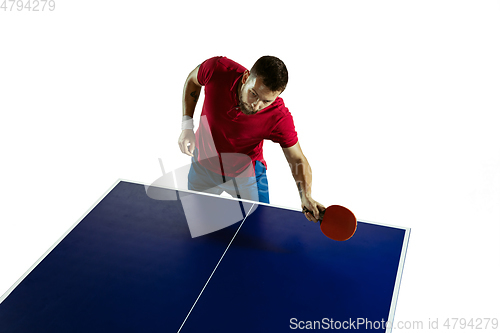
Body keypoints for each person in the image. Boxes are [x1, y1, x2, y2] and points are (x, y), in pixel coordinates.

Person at [178, 56, 324, 222]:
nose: (256, 105)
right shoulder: (217, 69)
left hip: (245, 175)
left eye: (266, 101)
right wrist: (186, 126)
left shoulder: (278, 117)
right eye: (254, 94)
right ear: (246, 77)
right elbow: (193, 80)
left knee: (258, 230)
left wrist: (305, 195)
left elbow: (297, 157)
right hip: (203, 166)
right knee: (197, 224)